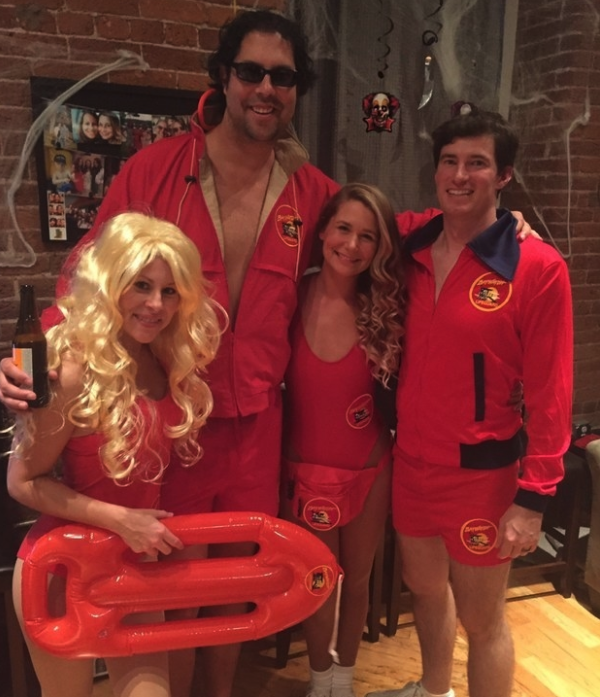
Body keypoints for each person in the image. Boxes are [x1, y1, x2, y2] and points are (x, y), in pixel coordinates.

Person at [0, 10, 533, 697]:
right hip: (176, 422)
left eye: (282, 77)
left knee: (239, 586)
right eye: (251, 71)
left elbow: (373, 229)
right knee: (176, 589)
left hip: (260, 429)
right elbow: (86, 275)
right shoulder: (155, 171)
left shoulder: (311, 193)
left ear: (295, 91)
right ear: (225, 77)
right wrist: (32, 357)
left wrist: (486, 220)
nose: (266, 88)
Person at [366, 109, 573, 697]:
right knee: (426, 591)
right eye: (450, 162)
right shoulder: (411, 243)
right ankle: (435, 691)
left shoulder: (537, 267)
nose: (460, 176)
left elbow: (552, 393)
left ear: (503, 175)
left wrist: (534, 498)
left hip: (482, 476)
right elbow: (346, 211)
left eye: (477, 163)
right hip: (412, 465)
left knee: (484, 622)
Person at [7, 211, 221, 697]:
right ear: (110, 283)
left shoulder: (165, 360)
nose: (155, 304)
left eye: (170, 291)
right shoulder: (73, 369)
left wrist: (131, 529)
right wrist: (121, 519)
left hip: (134, 564)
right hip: (60, 566)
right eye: (141, 285)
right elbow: (22, 482)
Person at [281, 183, 404, 697]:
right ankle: (318, 679)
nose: (352, 246)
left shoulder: (389, 308)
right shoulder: (289, 295)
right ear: (323, 231)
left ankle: (345, 680)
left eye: (368, 237)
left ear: (381, 248)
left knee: (357, 579)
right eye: (344, 229)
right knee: (316, 579)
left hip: (370, 467)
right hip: (303, 472)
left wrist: (511, 223)